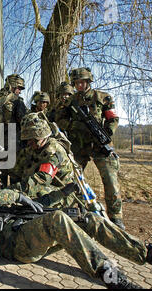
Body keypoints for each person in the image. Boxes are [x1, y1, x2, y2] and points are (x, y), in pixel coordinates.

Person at [0, 163, 152, 289]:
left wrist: (64, 192)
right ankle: (112, 277)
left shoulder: (3, 196)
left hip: (26, 236)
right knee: (57, 219)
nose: (0, 183)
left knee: (87, 218)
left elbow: (37, 206)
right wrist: (17, 195)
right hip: (13, 247)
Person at [55, 67, 124, 230]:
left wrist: (106, 133)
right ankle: (78, 211)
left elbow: (113, 118)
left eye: (82, 82)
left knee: (111, 182)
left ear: (88, 82)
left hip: (100, 145)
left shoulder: (103, 97)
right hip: (78, 146)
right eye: (77, 83)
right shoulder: (70, 101)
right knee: (71, 180)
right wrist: (74, 125)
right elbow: (59, 119)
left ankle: (116, 218)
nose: (80, 85)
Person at [0, 74, 28, 185]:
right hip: (13, 140)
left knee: (1, 173)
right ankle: (14, 197)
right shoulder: (17, 101)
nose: (19, 91)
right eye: (19, 88)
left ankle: (2, 195)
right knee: (16, 174)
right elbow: (23, 120)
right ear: (13, 86)